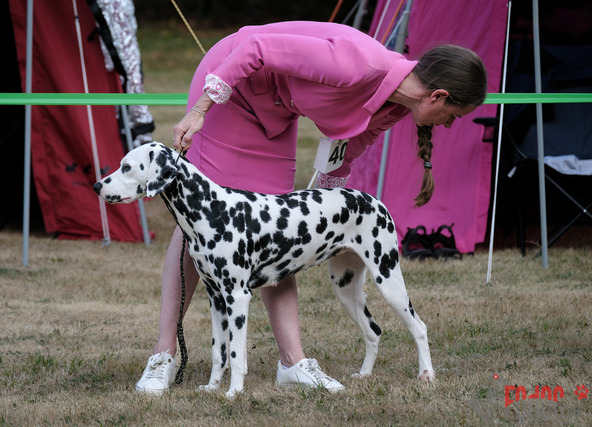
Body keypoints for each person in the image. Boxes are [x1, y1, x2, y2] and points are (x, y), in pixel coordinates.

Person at [135, 21, 487, 394]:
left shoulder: (396, 106)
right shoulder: (358, 64)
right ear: (438, 96)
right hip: (231, 89)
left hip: (279, 108)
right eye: (454, 115)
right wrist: (201, 109)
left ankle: (292, 362)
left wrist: (323, 203)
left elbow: (348, 149)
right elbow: (255, 48)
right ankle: (163, 355)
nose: (449, 125)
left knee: (277, 231)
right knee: (205, 221)